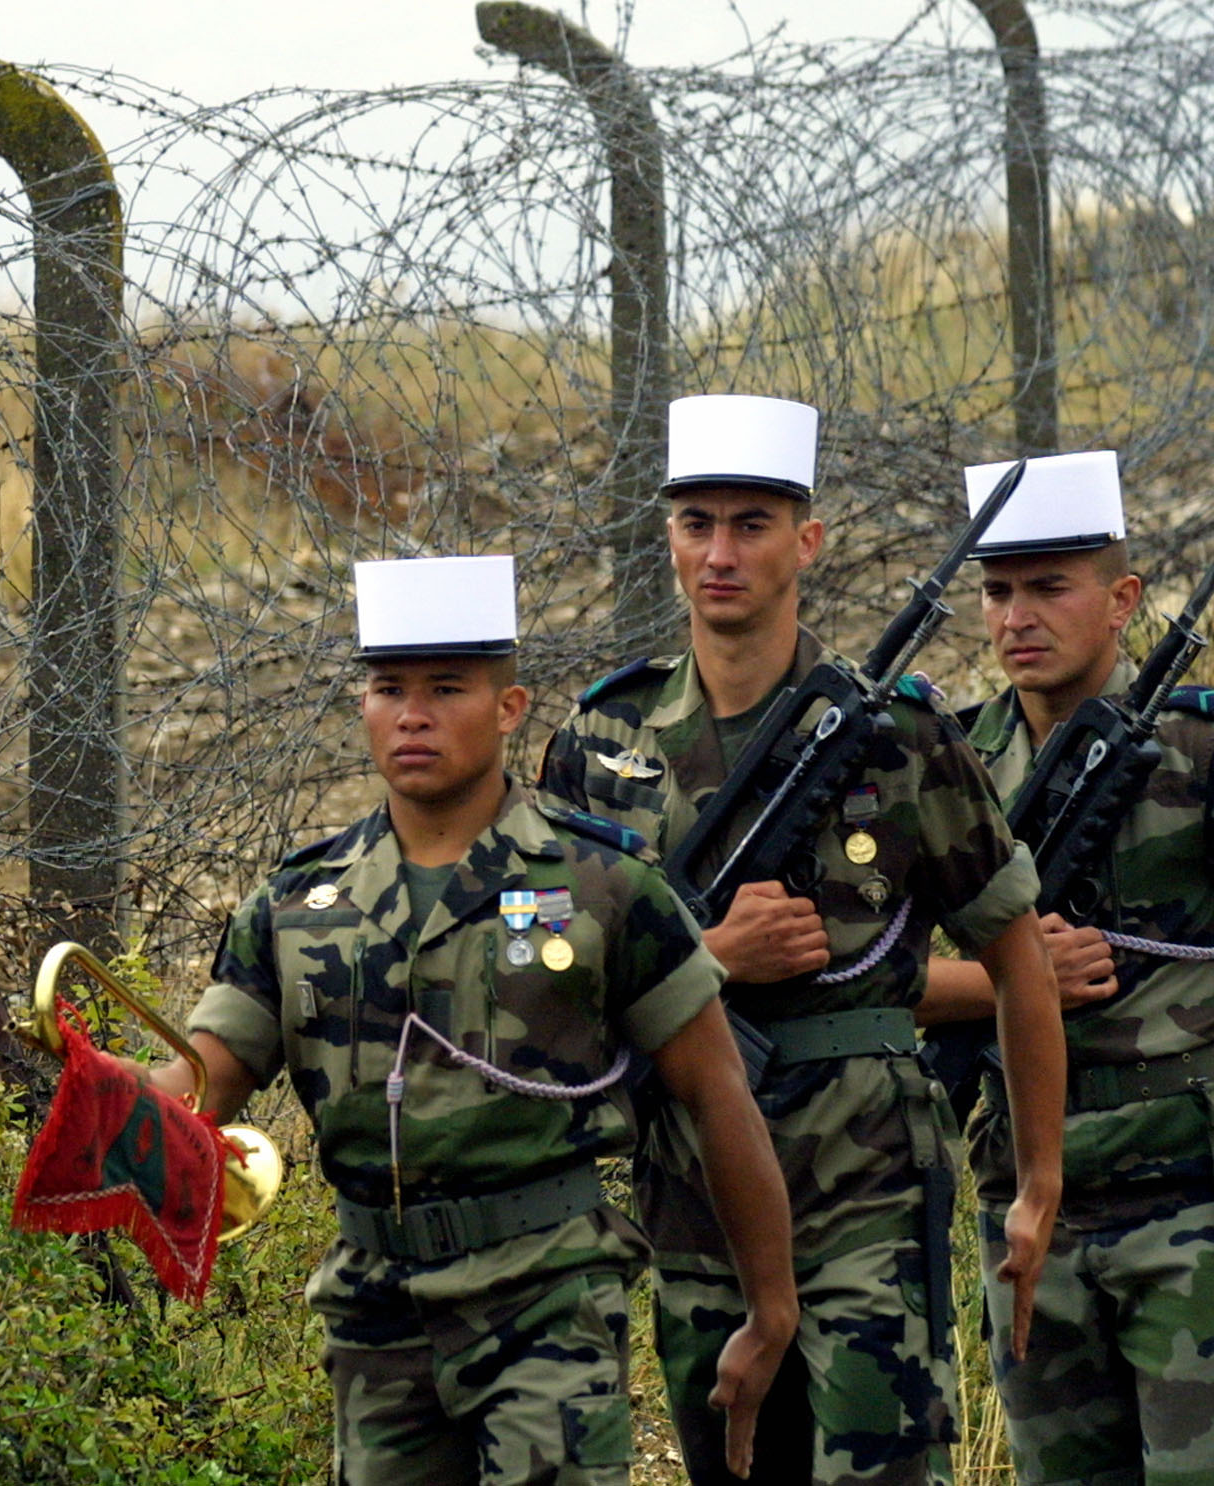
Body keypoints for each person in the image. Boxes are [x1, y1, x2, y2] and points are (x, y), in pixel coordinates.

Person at [137, 554, 796, 1484]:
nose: (413, 714)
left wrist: (771, 1309)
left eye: (447, 688)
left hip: (548, 1299)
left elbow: (717, 1092)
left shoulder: (602, 882)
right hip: (376, 1313)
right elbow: (200, 1081)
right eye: (388, 689)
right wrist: (104, 1094)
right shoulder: (298, 905)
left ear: (510, 707)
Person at [538, 394, 1064, 1485]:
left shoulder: (901, 733)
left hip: (863, 1190)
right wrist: (709, 959)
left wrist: (1035, 1177)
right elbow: (540, 966)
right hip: (693, 1206)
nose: (718, 552)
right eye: (696, 523)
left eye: (751, 523)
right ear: (668, 538)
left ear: (805, 540)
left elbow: (1016, 954)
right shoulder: (596, 740)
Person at [917, 450, 1214, 1485]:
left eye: (1049, 586)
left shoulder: (1189, 749)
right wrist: (1003, 972)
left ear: (1121, 598)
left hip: (1186, 1202)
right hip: (1025, 1212)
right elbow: (864, 968)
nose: (1015, 617)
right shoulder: (942, 768)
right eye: (996, 591)